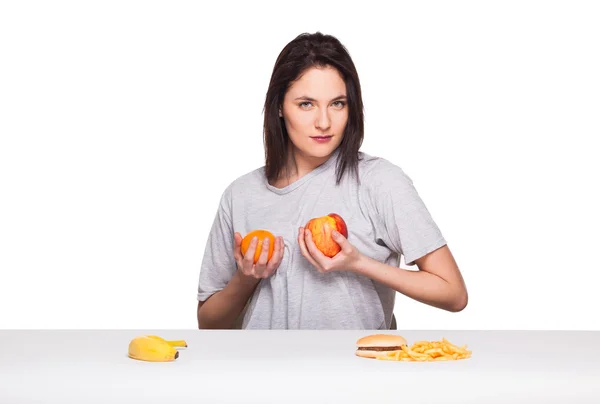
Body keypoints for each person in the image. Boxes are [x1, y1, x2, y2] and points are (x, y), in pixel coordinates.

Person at [196, 32, 468, 330]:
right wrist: (247, 277)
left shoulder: (380, 182)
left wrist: (359, 263)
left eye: (337, 104)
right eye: (306, 104)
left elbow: (453, 293)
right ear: (279, 107)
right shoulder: (241, 195)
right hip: (264, 371)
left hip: (356, 371)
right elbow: (209, 324)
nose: (324, 122)